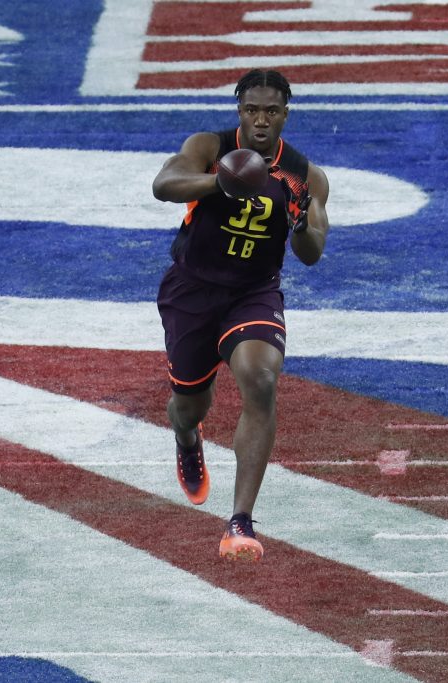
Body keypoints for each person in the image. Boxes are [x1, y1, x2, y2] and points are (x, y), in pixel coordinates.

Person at [152, 69, 330, 561]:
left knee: (261, 379)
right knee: (189, 405)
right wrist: (220, 181)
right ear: (240, 111)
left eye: (271, 111)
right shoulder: (210, 145)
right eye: (252, 110)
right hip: (192, 288)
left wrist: (299, 220)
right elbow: (164, 184)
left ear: (285, 115)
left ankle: (240, 521)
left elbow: (314, 251)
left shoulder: (305, 175)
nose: (260, 120)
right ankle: (188, 439)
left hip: (253, 292)